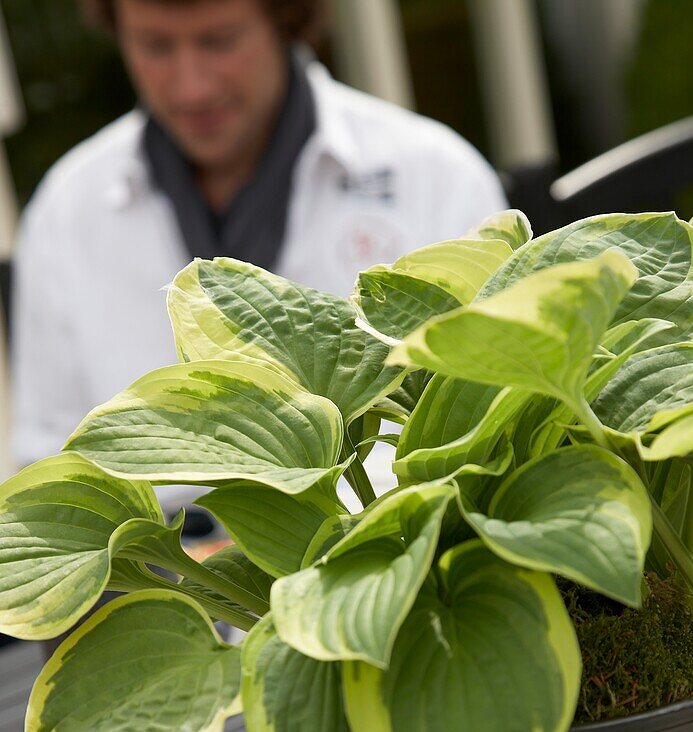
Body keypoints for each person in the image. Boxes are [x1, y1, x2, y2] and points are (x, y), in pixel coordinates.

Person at [10, 0, 507, 474]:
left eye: (219, 41)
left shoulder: (436, 179)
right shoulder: (66, 210)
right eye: (156, 46)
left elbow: (492, 416)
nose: (192, 89)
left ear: (285, 16)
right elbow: (46, 453)